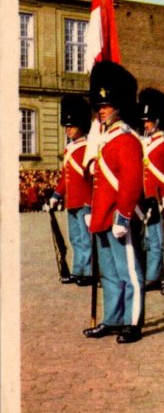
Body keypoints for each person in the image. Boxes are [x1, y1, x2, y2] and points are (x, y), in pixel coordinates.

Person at [83, 61, 145, 344]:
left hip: (118, 216)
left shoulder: (127, 139)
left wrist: (123, 215)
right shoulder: (105, 140)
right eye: (99, 105)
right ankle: (113, 318)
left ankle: (132, 321)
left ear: (118, 106)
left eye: (107, 104)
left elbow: (131, 181)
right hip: (102, 214)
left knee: (128, 270)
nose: (102, 109)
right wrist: (91, 209)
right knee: (109, 272)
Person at [44, 94, 94, 285]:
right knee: (75, 238)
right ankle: (78, 269)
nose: (68, 129)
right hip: (71, 201)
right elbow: (66, 177)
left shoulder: (87, 148)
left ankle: (88, 272)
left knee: (85, 238)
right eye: (67, 126)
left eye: (71, 126)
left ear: (81, 125)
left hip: (84, 201)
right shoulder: (69, 150)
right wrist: (57, 195)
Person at [137, 88, 164, 293]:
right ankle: (154, 275)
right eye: (144, 121)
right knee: (151, 239)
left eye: (149, 121)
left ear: (158, 121)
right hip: (150, 199)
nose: (145, 125)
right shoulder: (146, 144)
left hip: (162, 199)